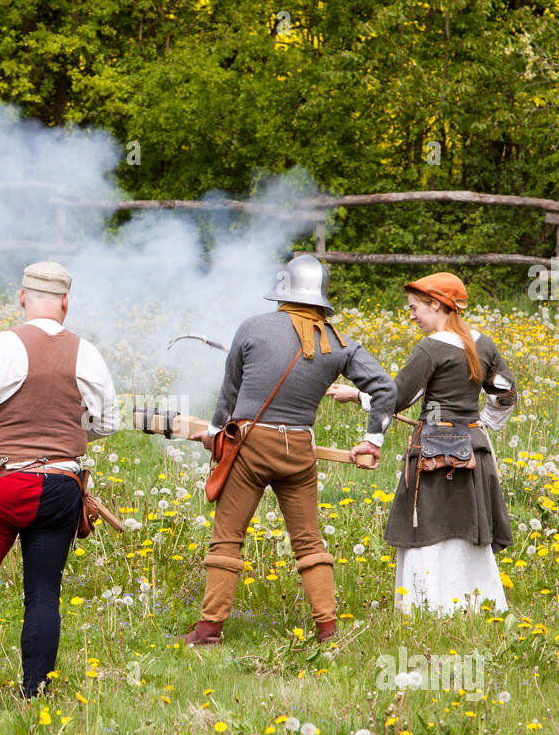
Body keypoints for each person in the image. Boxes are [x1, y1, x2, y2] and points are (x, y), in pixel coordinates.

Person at [0, 261, 120, 717]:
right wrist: (63, 435)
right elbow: (108, 423)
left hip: (1, 486)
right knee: (43, 592)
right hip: (61, 488)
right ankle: (36, 695)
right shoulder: (86, 352)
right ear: (65, 302)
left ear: (21, 298)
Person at [182, 254, 396, 647]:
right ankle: (328, 630)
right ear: (320, 297)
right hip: (299, 448)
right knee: (309, 541)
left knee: (228, 538)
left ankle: (209, 631)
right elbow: (387, 388)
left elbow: (229, 394)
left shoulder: (251, 328)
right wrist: (372, 439)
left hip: (249, 444)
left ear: (283, 291)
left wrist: (215, 433)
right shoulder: (339, 343)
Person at [330, 272, 517, 615]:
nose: (412, 315)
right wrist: (479, 427)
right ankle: (476, 606)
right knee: (466, 527)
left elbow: (398, 397)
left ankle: (428, 605)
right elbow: (506, 394)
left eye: (415, 308)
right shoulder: (484, 343)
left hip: (434, 455)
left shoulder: (430, 348)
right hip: (473, 451)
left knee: (428, 525)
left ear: (436, 305)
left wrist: (356, 395)